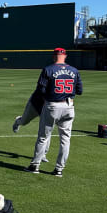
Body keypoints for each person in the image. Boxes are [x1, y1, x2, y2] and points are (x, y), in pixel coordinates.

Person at [24, 48, 82, 177]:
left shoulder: (48, 69)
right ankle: (59, 169)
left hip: (52, 105)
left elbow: (40, 90)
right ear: (65, 56)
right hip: (69, 106)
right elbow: (79, 90)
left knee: (43, 137)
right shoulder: (74, 70)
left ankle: (35, 166)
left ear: (53, 56)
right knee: (65, 139)